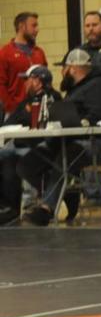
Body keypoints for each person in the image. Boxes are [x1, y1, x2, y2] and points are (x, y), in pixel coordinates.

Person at [17, 49, 101, 227]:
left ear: (73, 68)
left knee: (68, 157)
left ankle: (46, 209)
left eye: (64, 67)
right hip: (71, 141)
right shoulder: (74, 91)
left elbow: (98, 116)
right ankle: (66, 193)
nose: (62, 72)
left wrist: (83, 122)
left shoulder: (100, 86)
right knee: (27, 164)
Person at [0, 65, 61, 225]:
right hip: (20, 143)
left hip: (40, 145)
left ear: (38, 82)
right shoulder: (26, 101)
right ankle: (6, 207)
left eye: (27, 80)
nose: (25, 84)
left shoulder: (54, 98)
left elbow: (50, 123)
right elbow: (9, 122)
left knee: (23, 158)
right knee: (4, 155)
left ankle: (31, 203)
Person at [0, 12, 47, 117]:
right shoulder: (5, 53)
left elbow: (46, 81)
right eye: (33, 25)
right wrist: (11, 108)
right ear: (21, 26)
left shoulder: (39, 52)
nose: (37, 29)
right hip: (14, 112)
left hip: (38, 110)